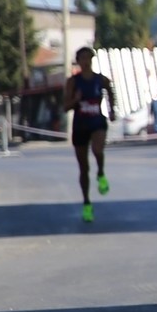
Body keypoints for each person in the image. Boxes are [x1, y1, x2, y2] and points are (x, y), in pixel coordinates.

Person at [62, 47, 117, 223]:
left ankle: (101, 173)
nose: (86, 62)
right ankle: (87, 203)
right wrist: (76, 100)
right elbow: (65, 107)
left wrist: (112, 109)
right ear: (78, 61)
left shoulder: (100, 79)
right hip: (80, 126)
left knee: (98, 150)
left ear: (92, 60)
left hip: (97, 122)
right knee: (83, 168)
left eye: (88, 59)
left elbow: (110, 90)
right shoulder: (73, 82)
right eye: (82, 59)